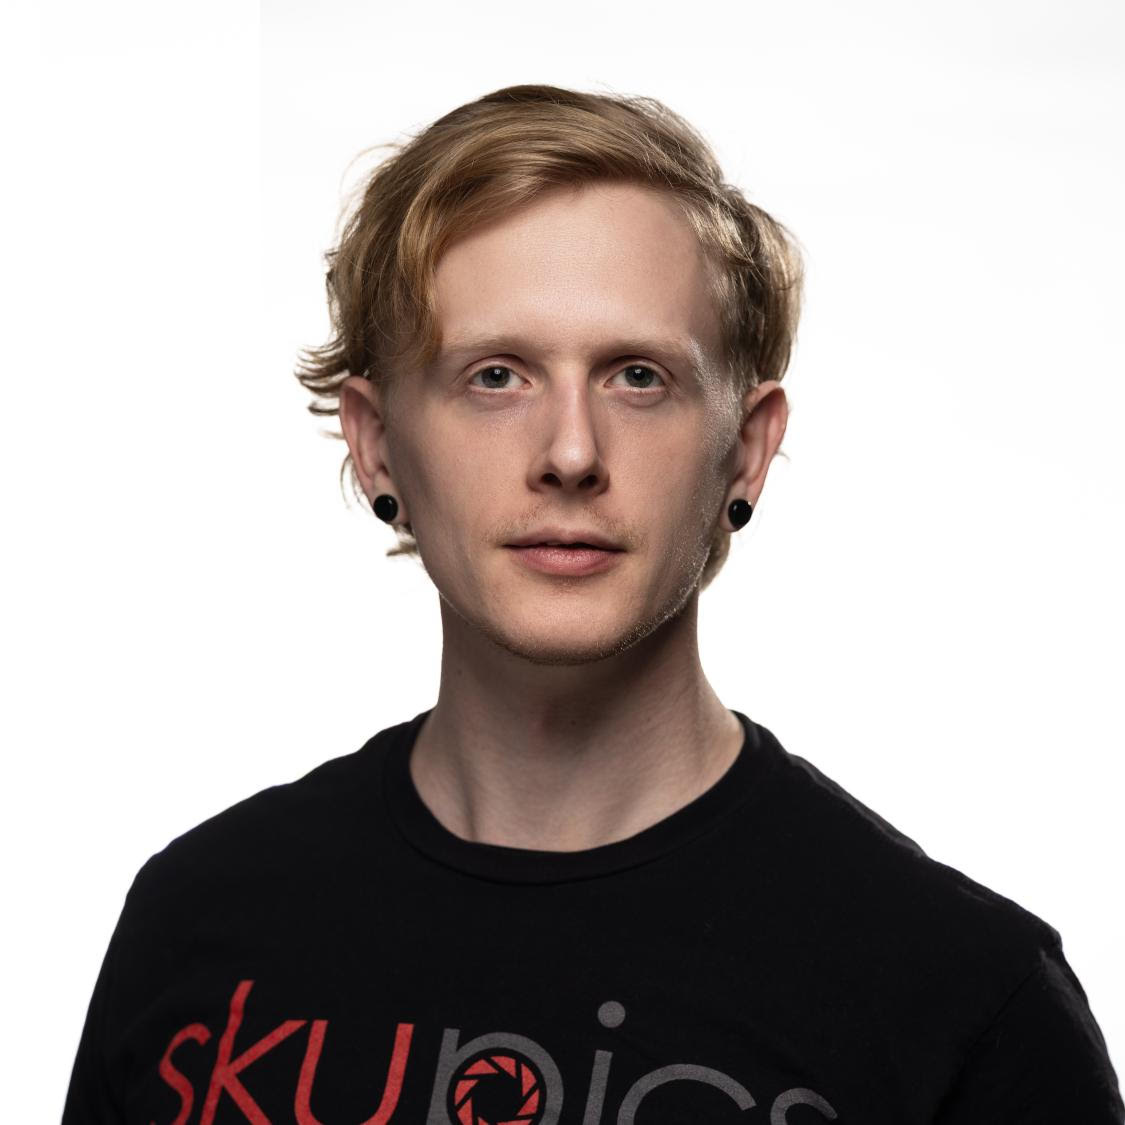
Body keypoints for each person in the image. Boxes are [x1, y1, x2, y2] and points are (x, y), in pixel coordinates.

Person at [63, 83, 1122, 1124]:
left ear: (745, 451)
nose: (571, 453)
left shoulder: (967, 1004)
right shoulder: (198, 919)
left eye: (638, 378)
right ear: (377, 441)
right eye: (495, 376)